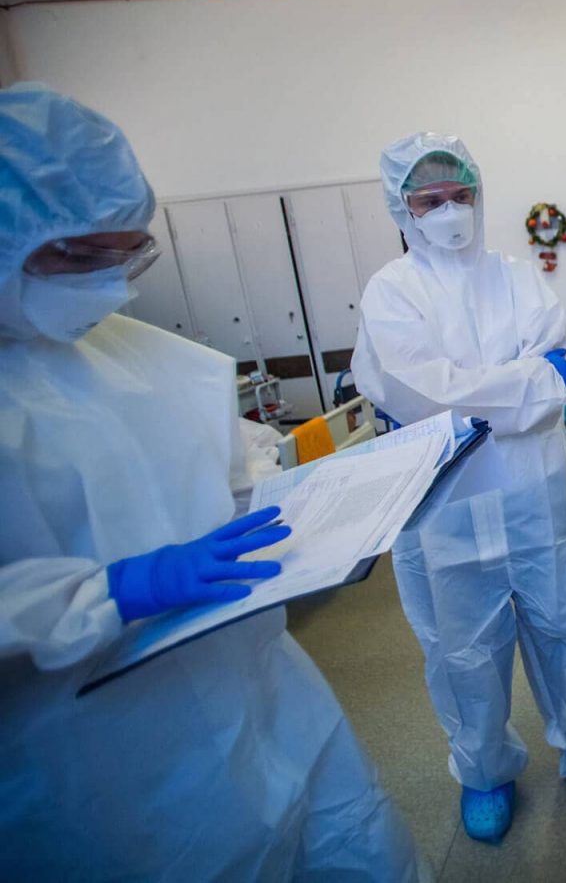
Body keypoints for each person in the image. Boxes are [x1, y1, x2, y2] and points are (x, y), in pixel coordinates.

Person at [0, 84, 418, 879]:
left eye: (129, 254)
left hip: (256, 684)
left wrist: (323, 499)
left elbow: (231, 480)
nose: (112, 282)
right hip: (88, 762)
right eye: (85, 257)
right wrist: (111, 591)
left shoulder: (148, 359)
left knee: (347, 841)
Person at [351, 133, 566, 844]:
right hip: (447, 500)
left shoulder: (517, 276)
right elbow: (424, 396)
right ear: (403, 209)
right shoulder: (391, 292)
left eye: (461, 194)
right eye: (431, 200)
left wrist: (476, 394)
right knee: (463, 650)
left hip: (535, 490)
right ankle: (483, 770)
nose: (450, 210)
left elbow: (528, 374)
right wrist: (522, 386)